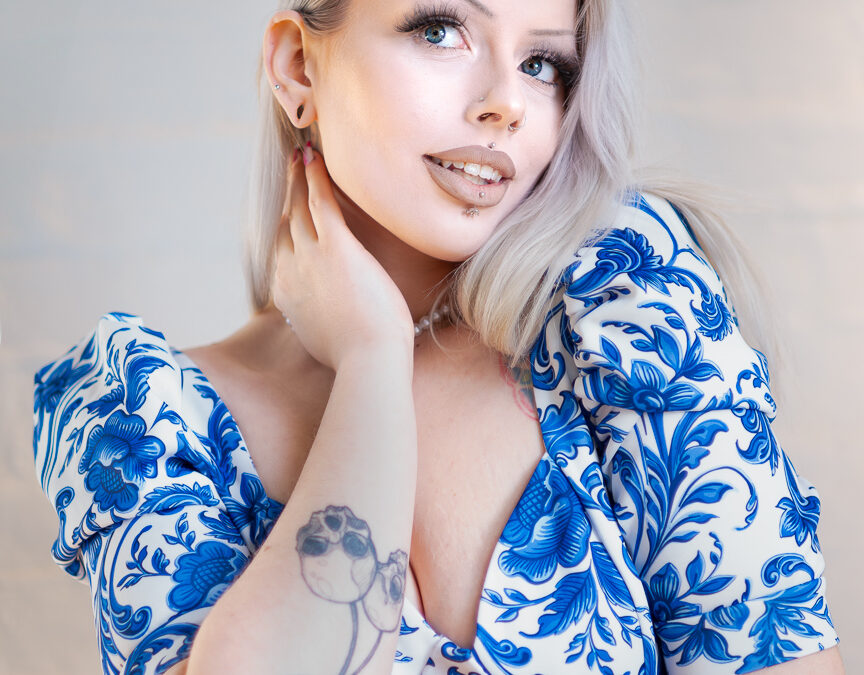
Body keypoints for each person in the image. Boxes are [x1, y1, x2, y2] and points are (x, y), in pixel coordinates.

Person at [32, 0, 845, 673]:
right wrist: (372, 362)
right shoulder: (142, 414)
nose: (506, 102)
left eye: (543, 63)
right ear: (298, 67)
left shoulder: (624, 295)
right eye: (440, 29)